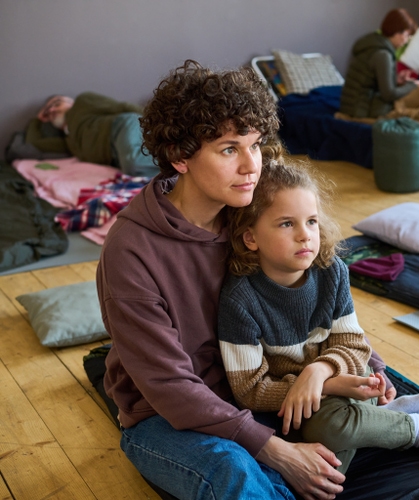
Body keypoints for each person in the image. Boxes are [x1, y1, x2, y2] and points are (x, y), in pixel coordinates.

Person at [96, 60, 397, 500]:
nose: (250, 166)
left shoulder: (250, 212)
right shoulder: (130, 251)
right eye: (228, 149)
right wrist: (275, 450)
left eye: (255, 146)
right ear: (181, 157)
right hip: (166, 417)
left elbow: (316, 294)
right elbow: (171, 389)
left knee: (342, 421)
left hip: (262, 384)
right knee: (232, 469)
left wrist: (371, 367)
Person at [217, 158, 419, 475]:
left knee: (327, 437)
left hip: (340, 370)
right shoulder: (239, 299)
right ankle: (382, 417)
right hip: (296, 397)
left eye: (311, 221)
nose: (304, 235)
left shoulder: (332, 271)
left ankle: (418, 428)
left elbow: (353, 343)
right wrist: (325, 386)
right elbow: (249, 389)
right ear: (251, 237)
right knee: (326, 445)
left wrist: (320, 371)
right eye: (287, 223)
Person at [26, 92, 158, 177]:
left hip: (121, 127)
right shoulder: (68, 142)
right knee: (142, 175)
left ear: (69, 102)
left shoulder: (82, 102)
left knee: (133, 164)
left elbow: (122, 106)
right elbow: (34, 143)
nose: (52, 109)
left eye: (57, 103)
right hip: (117, 155)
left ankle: (177, 160)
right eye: (48, 111)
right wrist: (38, 120)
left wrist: (157, 123)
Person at [339, 8, 419, 119]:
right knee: (416, 98)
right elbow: (389, 94)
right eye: (406, 35)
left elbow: (372, 81)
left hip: (349, 106)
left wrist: (396, 79)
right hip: (359, 110)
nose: (406, 40)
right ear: (396, 32)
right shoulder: (382, 54)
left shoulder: (374, 44)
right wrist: (412, 85)